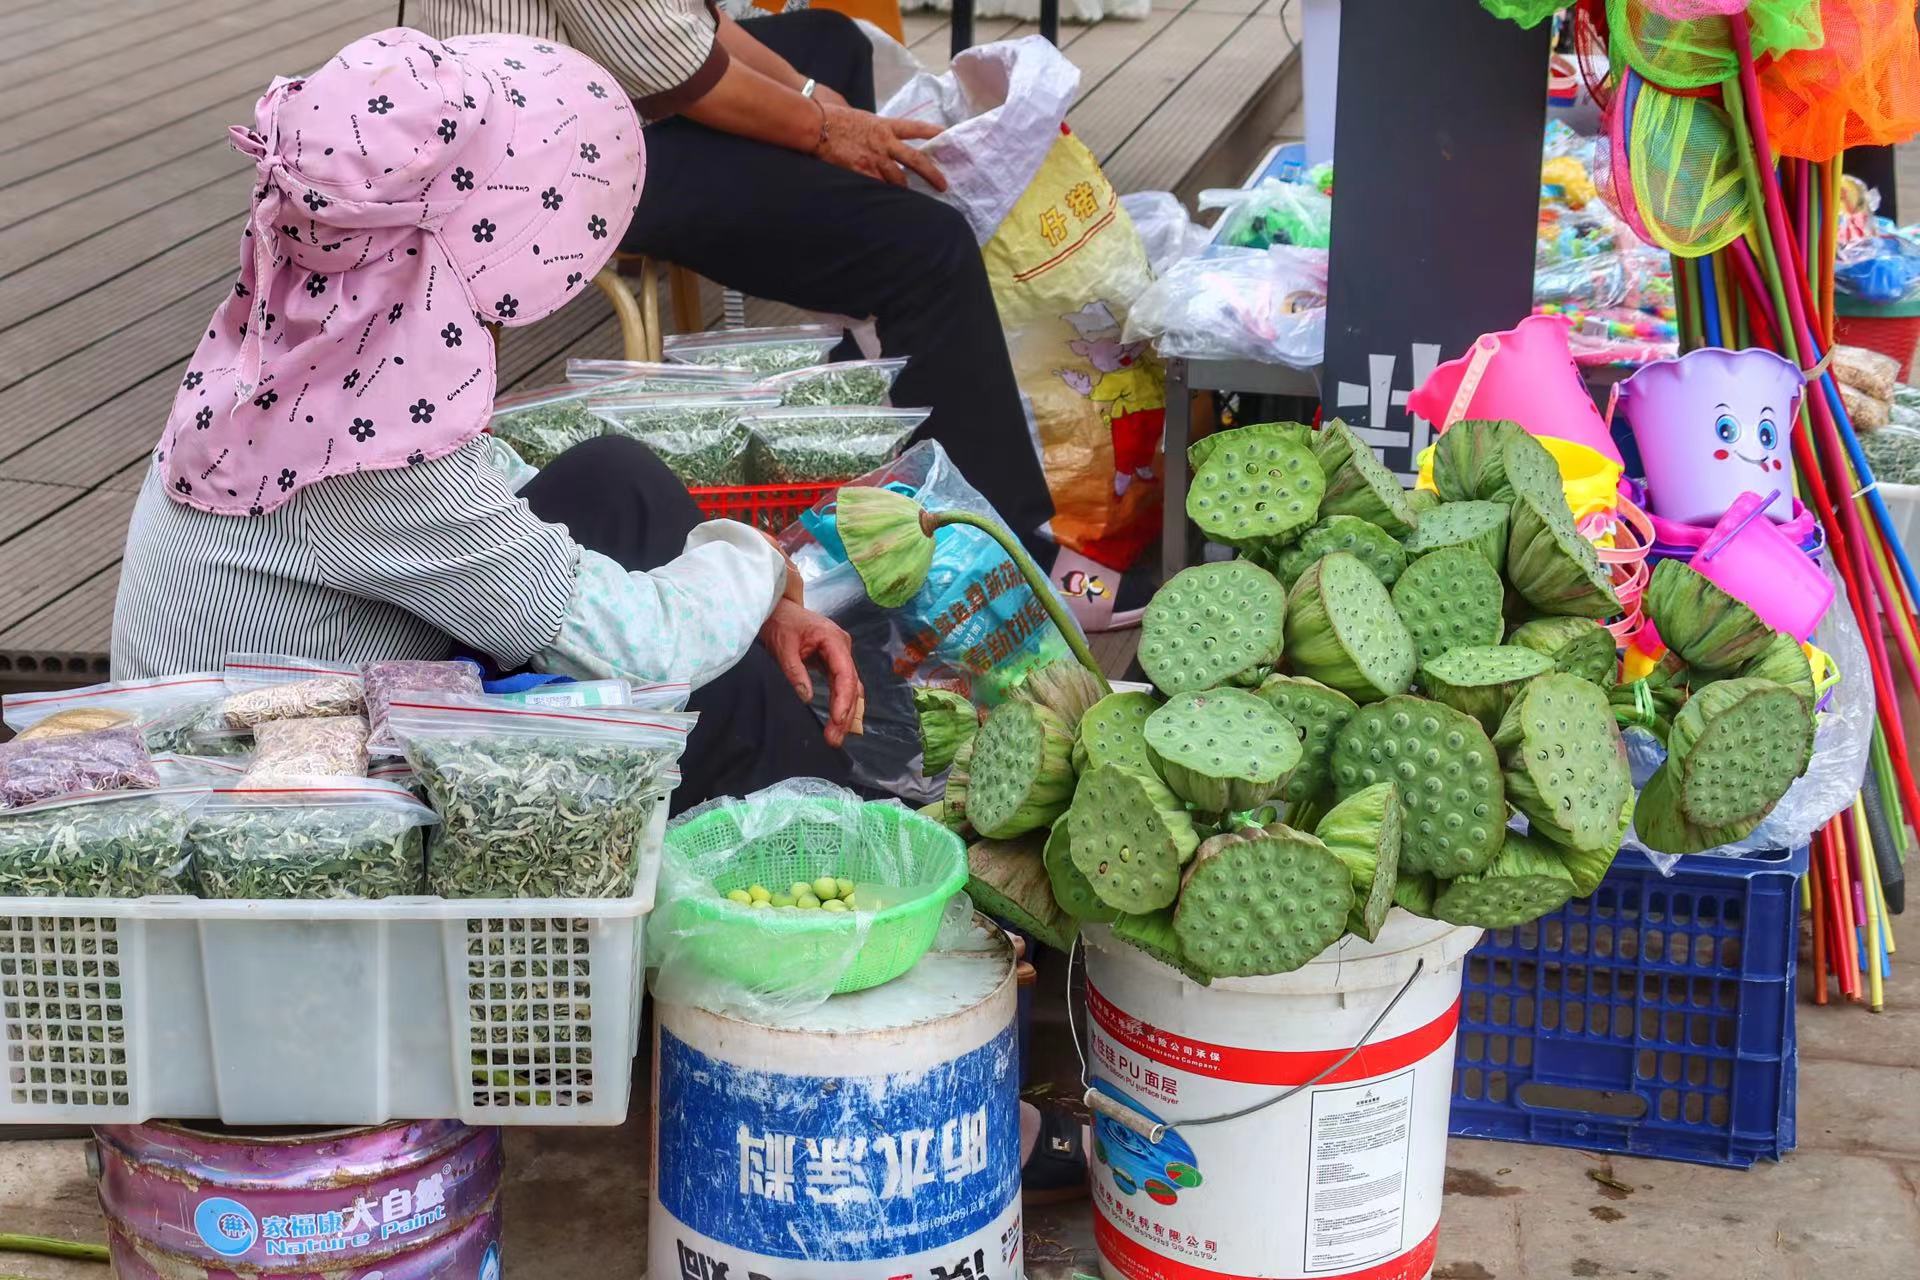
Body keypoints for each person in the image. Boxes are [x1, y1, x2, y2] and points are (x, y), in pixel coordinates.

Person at [111, 29, 862, 812]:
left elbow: (490, 492)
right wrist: (767, 562)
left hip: (276, 734)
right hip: (276, 812)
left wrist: (750, 608)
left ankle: (804, 790)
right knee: (680, 654)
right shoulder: (377, 477)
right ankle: (818, 816)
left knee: (614, 481)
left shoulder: (280, 350)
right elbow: (649, 652)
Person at [402, 0, 1059, 557]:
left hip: (595, 83)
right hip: (545, 157)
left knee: (831, 41)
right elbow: (673, 63)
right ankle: (1006, 550)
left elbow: (690, 17)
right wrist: (824, 127)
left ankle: (865, 370)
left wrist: (808, 94)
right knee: (928, 247)